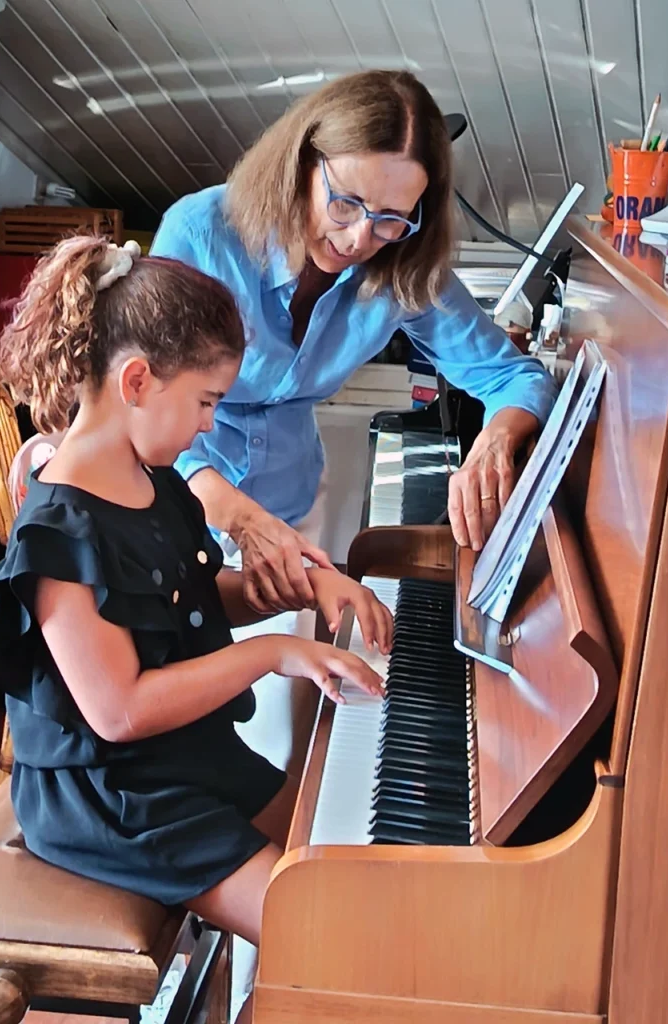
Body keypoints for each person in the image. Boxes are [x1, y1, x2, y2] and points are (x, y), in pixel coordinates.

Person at [0, 236, 392, 1024]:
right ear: (137, 381)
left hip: (178, 760)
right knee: (328, 932)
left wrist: (307, 591)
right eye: (205, 402)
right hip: (113, 798)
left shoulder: (151, 479)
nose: (208, 426)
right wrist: (274, 654)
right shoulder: (58, 532)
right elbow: (118, 708)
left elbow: (192, 601)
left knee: (336, 856)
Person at [147, 65, 558, 799]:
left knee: (291, 735)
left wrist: (499, 438)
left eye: (396, 216)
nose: (364, 235)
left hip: (294, 503)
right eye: (346, 202)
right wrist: (240, 517)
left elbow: (518, 377)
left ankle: (272, 893)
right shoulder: (202, 232)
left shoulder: (400, 262)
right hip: (180, 510)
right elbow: (158, 418)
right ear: (303, 163)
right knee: (205, 737)